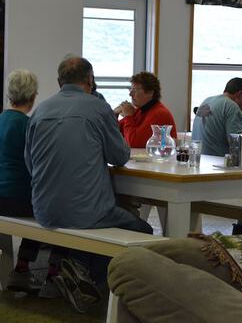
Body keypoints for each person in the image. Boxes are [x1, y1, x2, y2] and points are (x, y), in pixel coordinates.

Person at [25, 56, 152, 313]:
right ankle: (93, 283)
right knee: (142, 230)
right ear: (90, 81)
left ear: (59, 81)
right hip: (88, 211)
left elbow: (30, 163)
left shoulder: (40, 110)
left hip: (43, 209)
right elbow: (120, 156)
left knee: (101, 219)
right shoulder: (97, 108)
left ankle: (80, 269)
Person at [0, 69, 66, 296]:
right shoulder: (29, 125)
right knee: (60, 210)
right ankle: (54, 272)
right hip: (15, 198)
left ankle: (22, 268)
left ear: (10, 95)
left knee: (40, 205)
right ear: (33, 95)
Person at [191, 77, 242, 156]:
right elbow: (236, 144)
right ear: (239, 94)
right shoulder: (231, 106)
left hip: (199, 158)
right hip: (217, 161)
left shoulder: (207, 100)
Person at [115, 72, 177, 148]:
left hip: (160, 159)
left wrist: (128, 116)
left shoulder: (159, 114)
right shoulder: (140, 110)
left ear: (150, 92)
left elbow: (133, 142)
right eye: (130, 89)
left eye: (135, 90)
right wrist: (114, 114)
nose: (130, 94)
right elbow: (114, 132)